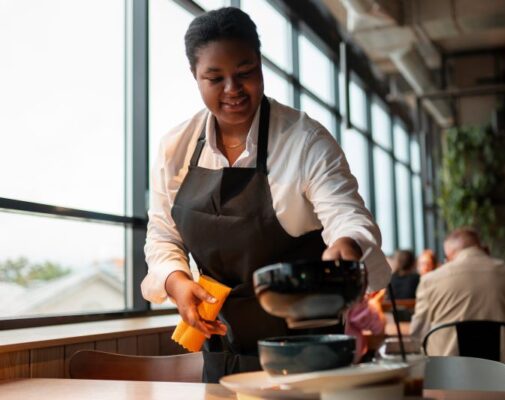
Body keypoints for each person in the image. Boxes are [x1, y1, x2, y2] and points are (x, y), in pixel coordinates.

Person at [140, 8, 390, 382]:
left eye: (245, 73)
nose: (233, 90)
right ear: (195, 76)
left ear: (260, 64)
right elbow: (162, 235)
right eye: (215, 78)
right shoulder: (174, 148)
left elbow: (348, 216)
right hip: (222, 355)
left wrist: (348, 247)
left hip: (310, 355)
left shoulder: (304, 140)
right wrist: (177, 282)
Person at [410, 228, 505, 400]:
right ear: (484, 248)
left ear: (449, 256)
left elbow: (416, 338)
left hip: (449, 386)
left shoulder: (430, 281)